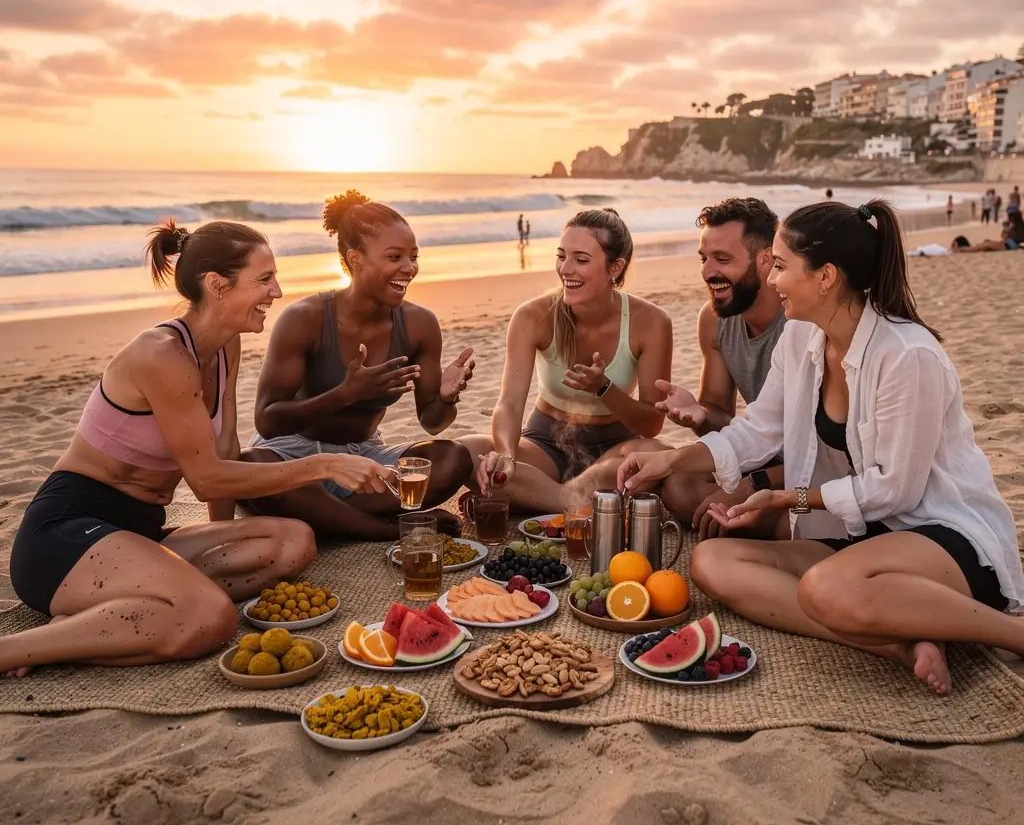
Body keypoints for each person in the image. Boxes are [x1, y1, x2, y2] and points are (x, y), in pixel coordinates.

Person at [618, 199, 1024, 696]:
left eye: (781, 266)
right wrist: (670, 460)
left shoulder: (907, 355)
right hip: (860, 535)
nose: (772, 280)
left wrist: (787, 498)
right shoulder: (800, 338)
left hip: (937, 534)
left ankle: (1013, 634)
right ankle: (899, 644)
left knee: (823, 587)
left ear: (826, 276)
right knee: (712, 562)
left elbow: (896, 490)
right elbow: (757, 431)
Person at [3, 221, 396, 678]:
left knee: (292, 541)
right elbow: (206, 478)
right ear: (217, 285)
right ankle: (16, 649)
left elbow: (225, 452)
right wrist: (323, 464)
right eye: (264, 279)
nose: (277, 291)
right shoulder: (162, 354)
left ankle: (105, 614)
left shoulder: (225, 346)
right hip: (66, 536)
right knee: (211, 619)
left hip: (142, 533)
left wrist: (223, 532)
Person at [241, 191, 475, 538]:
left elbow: (432, 423)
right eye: (395, 257)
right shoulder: (304, 318)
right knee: (252, 465)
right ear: (356, 258)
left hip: (366, 458)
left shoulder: (420, 324)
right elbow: (267, 420)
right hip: (296, 457)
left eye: (413, 256)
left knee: (454, 458)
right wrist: (345, 394)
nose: (409, 268)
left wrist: (446, 397)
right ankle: (386, 529)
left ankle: (326, 517)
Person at [460, 208, 673, 513]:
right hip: (544, 446)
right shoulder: (533, 316)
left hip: (616, 450)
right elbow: (509, 404)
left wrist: (604, 389)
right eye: (561, 256)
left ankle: (541, 498)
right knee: (467, 453)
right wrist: (506, 455)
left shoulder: (651, 322)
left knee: (660, 455)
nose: (565, 269)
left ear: (615, 267)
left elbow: (652, 424)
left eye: (581, 260)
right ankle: (580, 503)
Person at [653, 198, 826, 541]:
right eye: (704, 259)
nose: (707, 272)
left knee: (801, 518)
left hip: (812, 471)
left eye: (722, 259)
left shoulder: (804, 322)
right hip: (757, 455)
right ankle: (764, 524)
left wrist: (756, 484)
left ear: (765, 260)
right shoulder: (714, 320)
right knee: (678, 486)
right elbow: (722, 418)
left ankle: (784, 529)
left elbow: (826, 452)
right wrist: (699, 415)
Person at [950, 210, 1024, 252]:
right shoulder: (1019, 229)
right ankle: (966, 249)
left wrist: (1006, 229)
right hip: (1008, 245)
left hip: (1008, 246)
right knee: (987, 242)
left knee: (986, 244)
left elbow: (1004, 238)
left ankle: (963, 249)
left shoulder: (1012, 230)